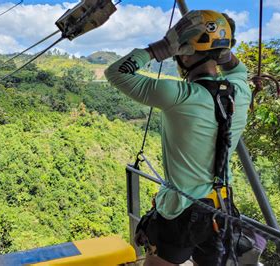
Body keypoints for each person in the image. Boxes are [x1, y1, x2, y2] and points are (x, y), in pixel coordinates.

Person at [105, 10, 252, 265]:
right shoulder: (241, 90)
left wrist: (158, 49)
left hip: (180, 210)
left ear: (184, 53)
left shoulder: (178, 95)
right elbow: (236, 67)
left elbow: (116, 72)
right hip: (220, 207)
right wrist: (221, 48)